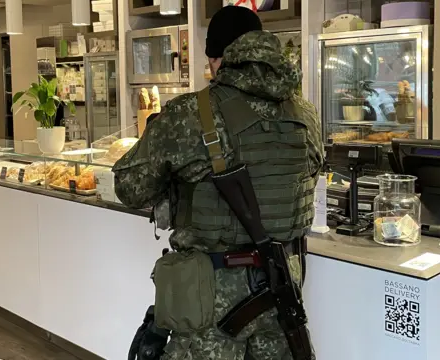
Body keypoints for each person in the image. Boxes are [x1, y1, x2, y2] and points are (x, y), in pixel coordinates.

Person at [114, 6, 324, 360]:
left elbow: (131, 189)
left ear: (215, 59)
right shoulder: (305, 114)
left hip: (207, 299)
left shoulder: (189, 113)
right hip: (281, 287)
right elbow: (310, 175)